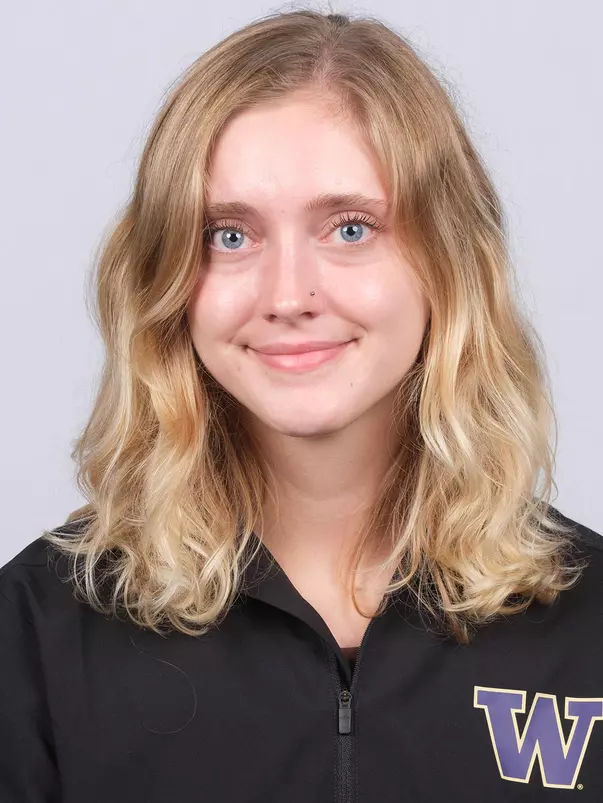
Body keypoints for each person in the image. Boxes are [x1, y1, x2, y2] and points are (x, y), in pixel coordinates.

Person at [1, 7, 601, 802]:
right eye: (228, 236)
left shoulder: (587, 627)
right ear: (166, 279)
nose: (288, 295)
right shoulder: (35, 635)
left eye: (350, 227)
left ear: (448, 261)